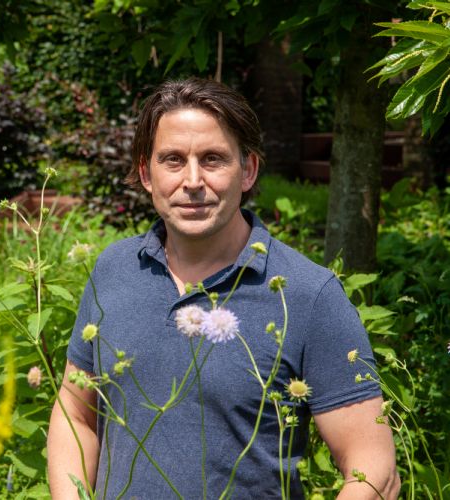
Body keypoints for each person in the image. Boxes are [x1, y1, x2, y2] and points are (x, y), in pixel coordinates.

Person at [47, 78, 400, 499]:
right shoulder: (114, 270)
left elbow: (375, 469)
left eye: (213, 159)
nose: (193, 180)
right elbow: (76, 415)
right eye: (173, 160)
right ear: (145, 173)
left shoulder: (307, 295)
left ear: (248, 170)